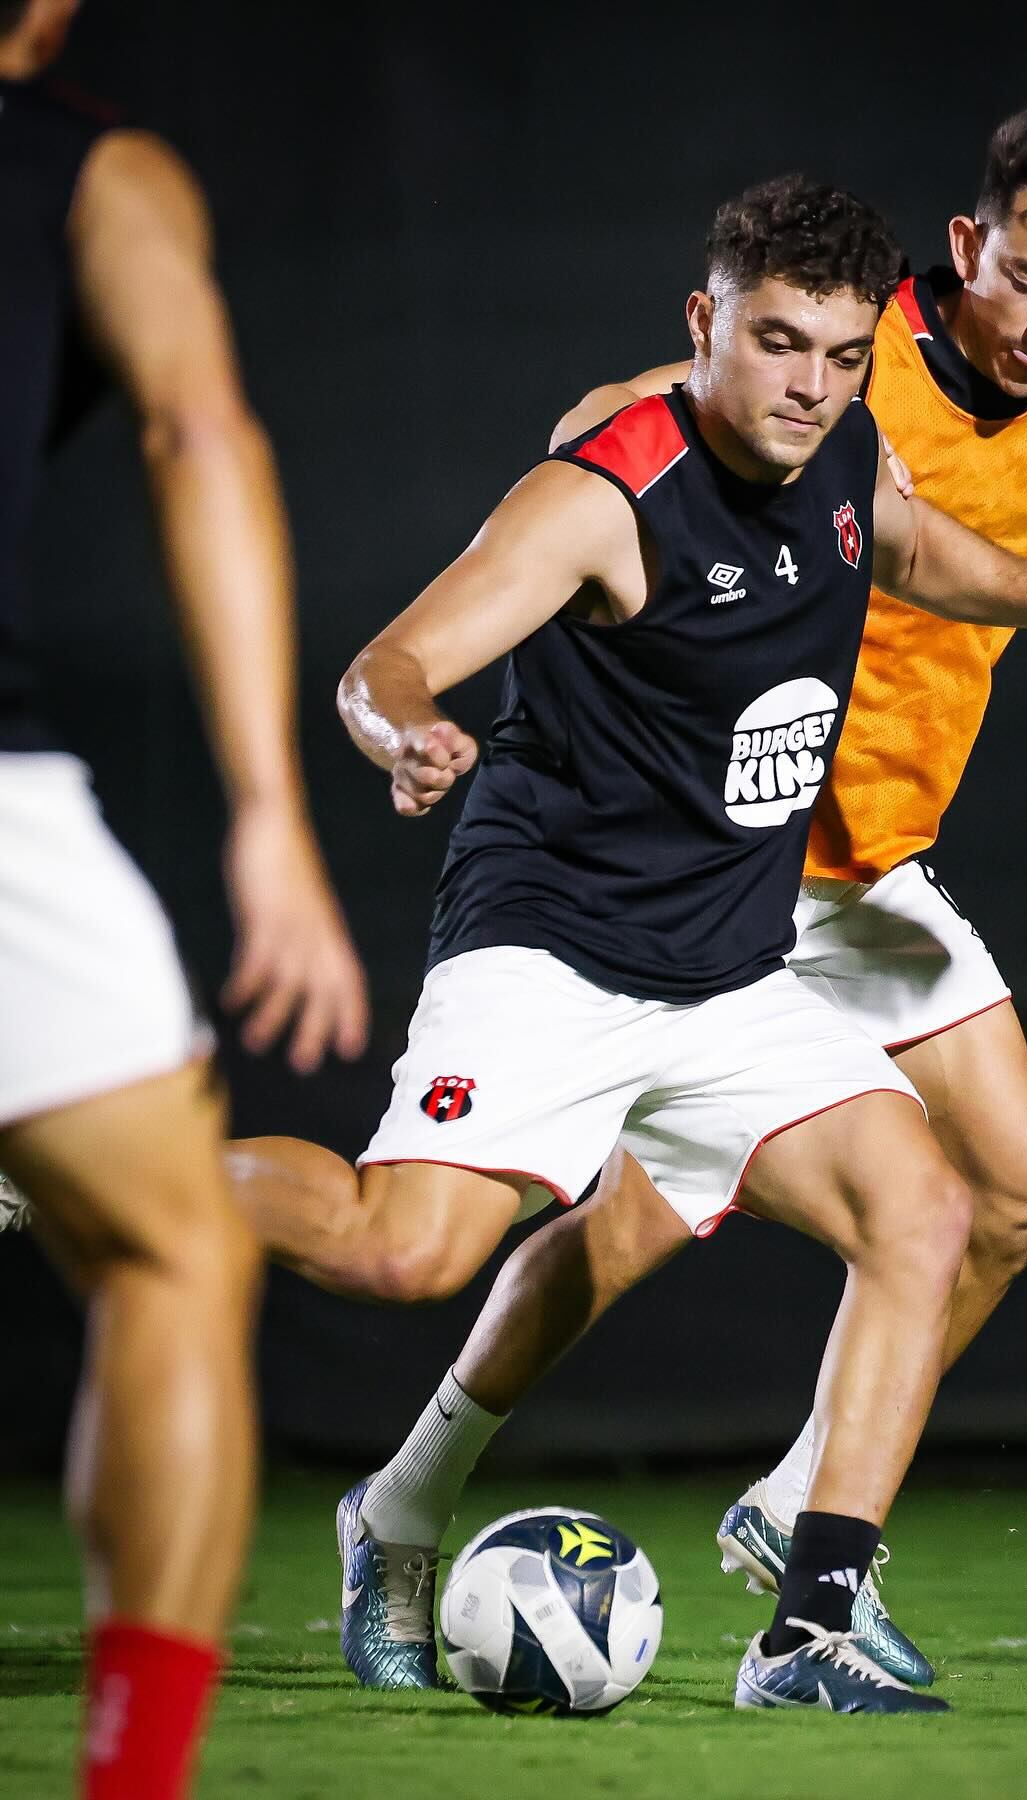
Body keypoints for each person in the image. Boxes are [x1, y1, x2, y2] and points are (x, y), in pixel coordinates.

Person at [224, 172, 1027, 1713]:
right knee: (401, 1250)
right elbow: (391, 661)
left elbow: (915, 551)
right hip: (558, 947)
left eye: (840, 354)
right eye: (776, 343)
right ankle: (104, 1169)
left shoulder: (847, 449)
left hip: (728, 972)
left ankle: (807, 1627)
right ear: (703, 324)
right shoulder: (608, 488)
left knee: (926, 1210)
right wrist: (405, 729)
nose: (810, 385)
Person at [0, 2, 368, 1791]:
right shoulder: (96, 171)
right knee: (172, 1255)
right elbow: (198, 431)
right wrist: (268, 816)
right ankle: (129, 1779)